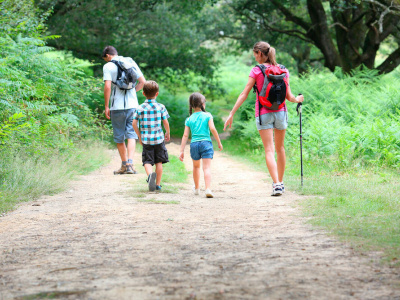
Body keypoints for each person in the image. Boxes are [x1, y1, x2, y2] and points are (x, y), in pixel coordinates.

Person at [223, 41, 304, 196]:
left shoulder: (256, 71)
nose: (255, 58)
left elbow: (244, 93)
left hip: (263, 113)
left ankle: (276, 184)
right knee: (280, 149)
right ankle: (280, 183)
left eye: (255, 54)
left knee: (269, 149)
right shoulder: (283, 70)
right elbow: (289, 97)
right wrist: (298, 99)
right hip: (281, 112)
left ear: (260, 53)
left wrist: (232, 113)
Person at [102, 45, 146, 175]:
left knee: (119, 136)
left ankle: (124, 165)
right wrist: (132, 91)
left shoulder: (108, 66)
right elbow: (143, 82)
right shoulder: (130, 61)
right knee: (131, 135)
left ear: (108, 56)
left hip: (117, 107)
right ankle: (131, 164)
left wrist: (106, 106)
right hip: (133, 105)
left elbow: (107, 86)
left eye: (105, 59)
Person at [179, 92, 223, 198]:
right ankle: (207, 188)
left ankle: (197, 188)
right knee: (206, 168)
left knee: (196, 167)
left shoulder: (189, 119)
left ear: (191, 105)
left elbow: (185, 135)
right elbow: (212, 129)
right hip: (206, 143)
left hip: (194, 144)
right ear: (203, 104)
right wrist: (218, 141)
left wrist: (181, 150)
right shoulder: (208, 115)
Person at [132, 80, 170, 192]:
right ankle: (157, 184)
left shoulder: (140, 108)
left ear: (143, 93)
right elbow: (165, 122)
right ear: (157, 93)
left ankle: (150, 176)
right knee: (159, 162)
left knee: (147, 161)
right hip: (158, 139)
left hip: (146, 140)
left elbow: (134, 123)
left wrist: (139, 136)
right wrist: (167, 132)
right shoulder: (161, 107)